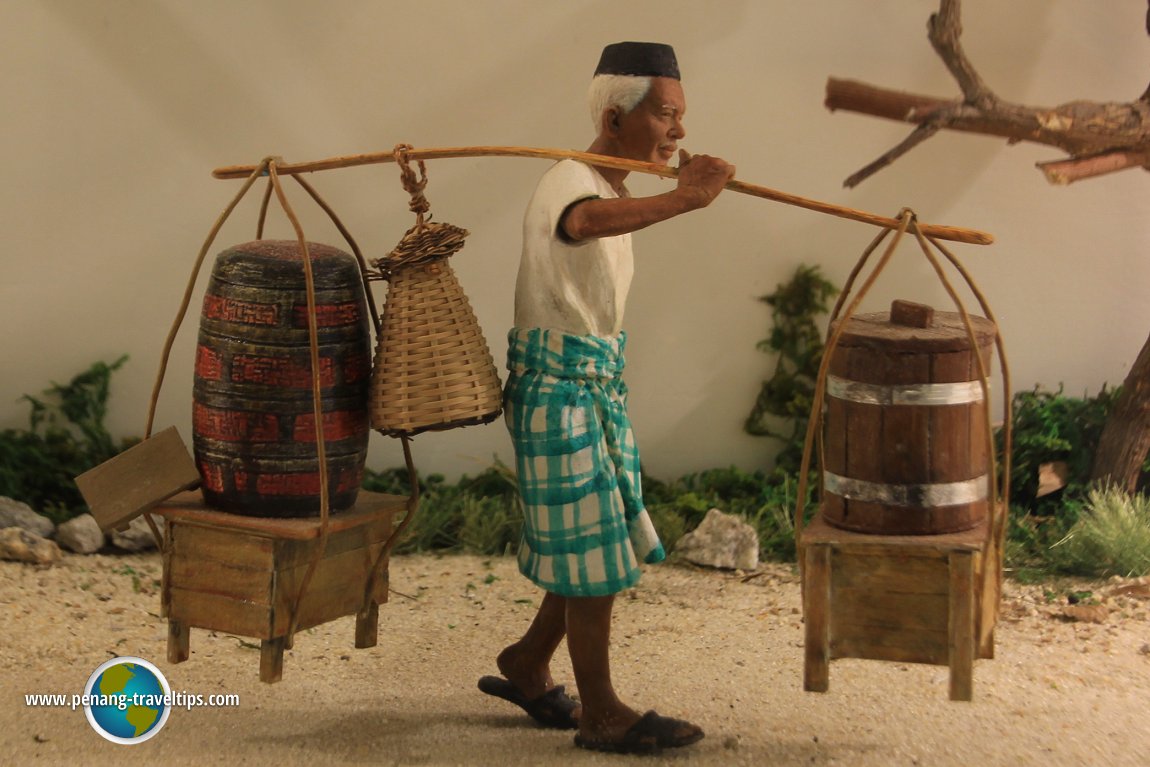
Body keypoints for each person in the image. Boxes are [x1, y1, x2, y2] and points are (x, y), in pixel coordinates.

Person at [478, 41, 735, 755]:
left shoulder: (615, 187)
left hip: (592, 385)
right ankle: (601, 713)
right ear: (618, 115)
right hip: (556, 389)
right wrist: (688, 197)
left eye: (681, 116)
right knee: (588, 554)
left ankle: (527, 661)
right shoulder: (570, 180)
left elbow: (603, 219)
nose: (678, 131)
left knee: (591, 544)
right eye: (666, 114)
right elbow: (582, 223)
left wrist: (676, 192)